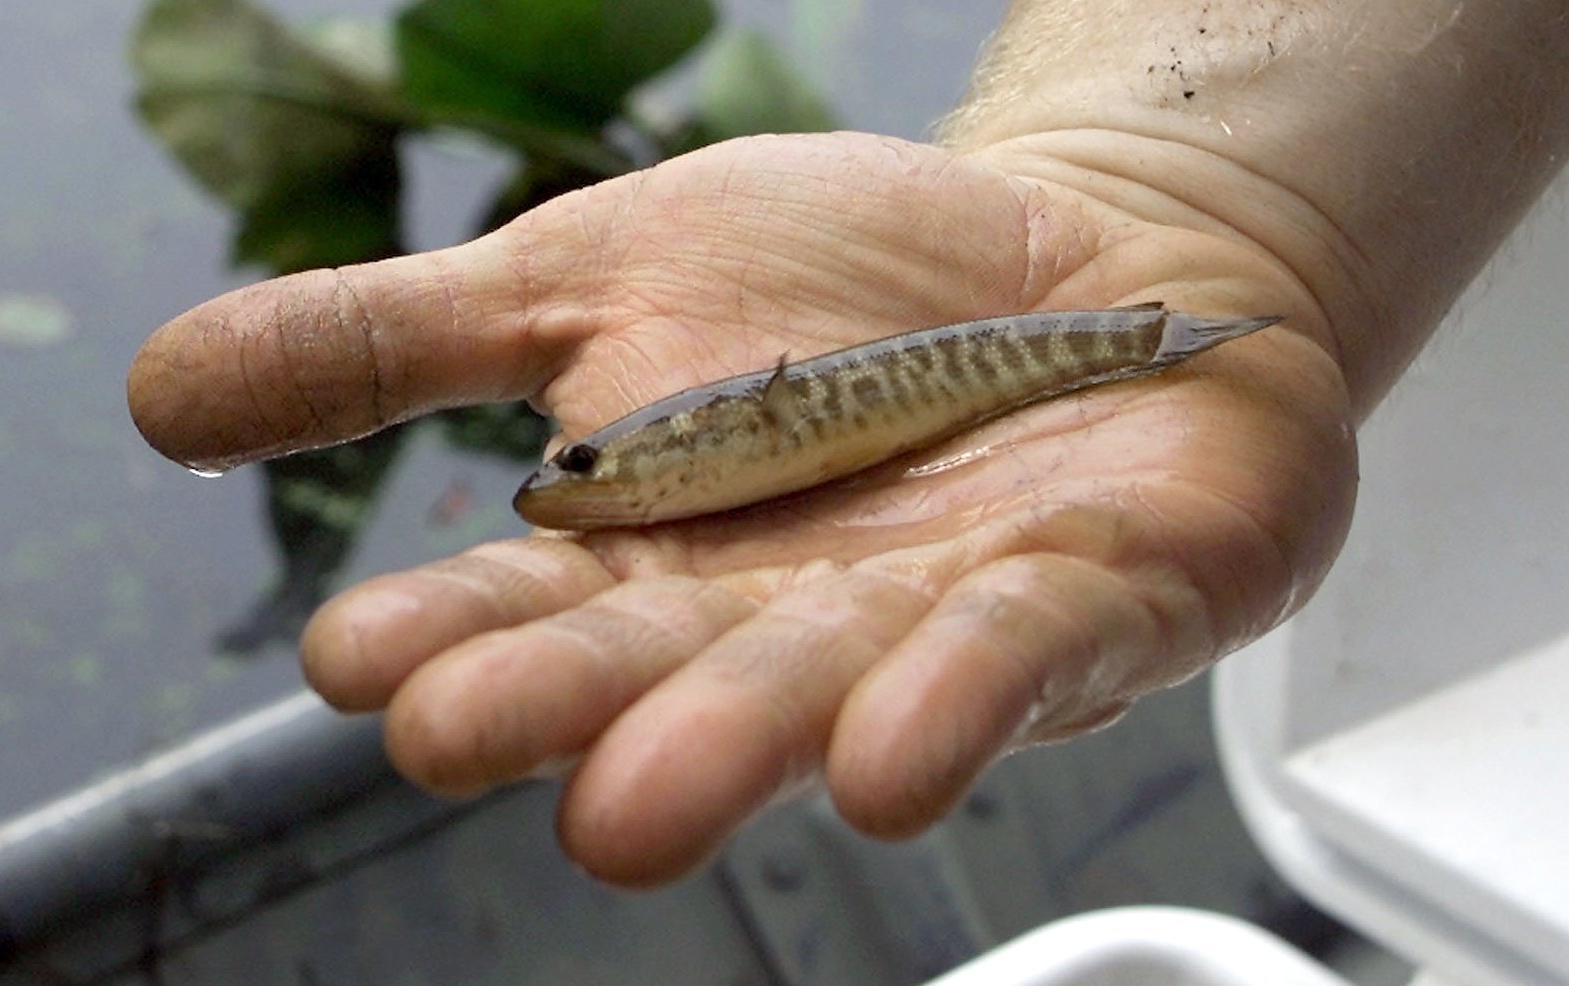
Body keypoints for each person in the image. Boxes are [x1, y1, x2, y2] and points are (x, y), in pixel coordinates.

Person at [127, 0, 1569, 886]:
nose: (568, 481)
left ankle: (1167, 330)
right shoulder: (672, 467)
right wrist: (1218, 187)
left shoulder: (679, 449)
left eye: (582, 465)